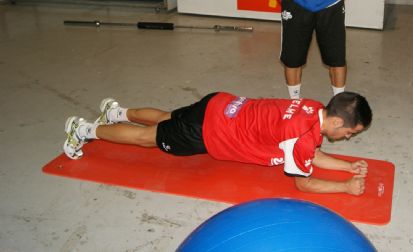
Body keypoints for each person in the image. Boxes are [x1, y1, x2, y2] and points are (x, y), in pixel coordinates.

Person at [63, 91, 372, 195]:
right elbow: (303, 184)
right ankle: (85, 130)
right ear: (336, 122)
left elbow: (311, 153)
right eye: (349, 133)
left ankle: (116, 111)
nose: (347, 138)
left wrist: (347, 166)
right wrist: (344, 187)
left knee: (167, 116)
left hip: (222, 103)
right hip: (210, 130)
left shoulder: (312, 105)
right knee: (148, 138)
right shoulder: (302, 138)